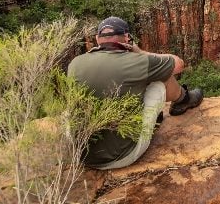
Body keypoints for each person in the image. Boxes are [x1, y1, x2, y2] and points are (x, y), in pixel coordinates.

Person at [67, 16, 204, 170]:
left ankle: (151, 117)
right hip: (121, 156)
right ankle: (183, 100)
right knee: (160, 79)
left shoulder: (75, 63)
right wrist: (139, 52)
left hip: (81, 155)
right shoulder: (137, 61)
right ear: (126, 37)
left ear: (98, 39)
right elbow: (178, 64)